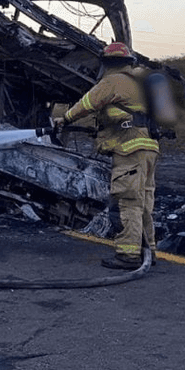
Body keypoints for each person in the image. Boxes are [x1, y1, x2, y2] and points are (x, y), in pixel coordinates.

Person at [55, 42, 159, 269]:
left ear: (108, 63)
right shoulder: (139, 84)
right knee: (142, 203)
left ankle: (128, 256)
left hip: (129, 149)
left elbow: (88, 103)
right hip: (148, 149)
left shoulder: (113, 81)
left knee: (126, 202)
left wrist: (65, 119)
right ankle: (148, 251)